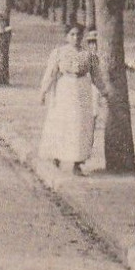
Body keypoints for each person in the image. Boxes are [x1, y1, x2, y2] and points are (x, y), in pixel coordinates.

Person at [39, 25, 109, 174]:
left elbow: (96, 76)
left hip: (82, 90)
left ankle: (77, 162)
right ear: (67, 36)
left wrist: (104, 91)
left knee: (79, 125)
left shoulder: (88, 55)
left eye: (78, 35)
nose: (75, 38)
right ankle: (57, 156)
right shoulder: (59, 53)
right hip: (65, 89)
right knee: (62, 123)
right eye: (72, 34)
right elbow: (51, 73)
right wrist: (43, 92)